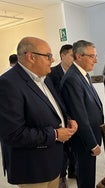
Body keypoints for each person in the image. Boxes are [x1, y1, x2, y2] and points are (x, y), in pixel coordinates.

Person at [0, 36, 78, 188]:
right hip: (33, 168)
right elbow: (13, 134)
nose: (53, 59)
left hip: (53, 161)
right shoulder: (8, 84)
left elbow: (54, 106)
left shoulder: (45, 77)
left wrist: (67, 119)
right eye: (48, 56)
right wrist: (55, 134)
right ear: (31, 57)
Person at [60, 40, 104, 188]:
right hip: (84, 140)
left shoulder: (83, 74)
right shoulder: (72, 78)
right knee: (85, 176)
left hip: (91, 133)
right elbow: (79, 116)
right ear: (79, 56)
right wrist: (92, 144)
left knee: (89, 173)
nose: (96, 60)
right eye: (92, 56)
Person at [48, 44, 76, 188]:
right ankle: (62, 176)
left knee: (73, 147)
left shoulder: (75, 72)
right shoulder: (51, 73)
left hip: (74, 117)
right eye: (72, 55)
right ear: (63, 55)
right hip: (61, 117)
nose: (74, 58)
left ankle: (72, 170)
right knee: (63, 149)